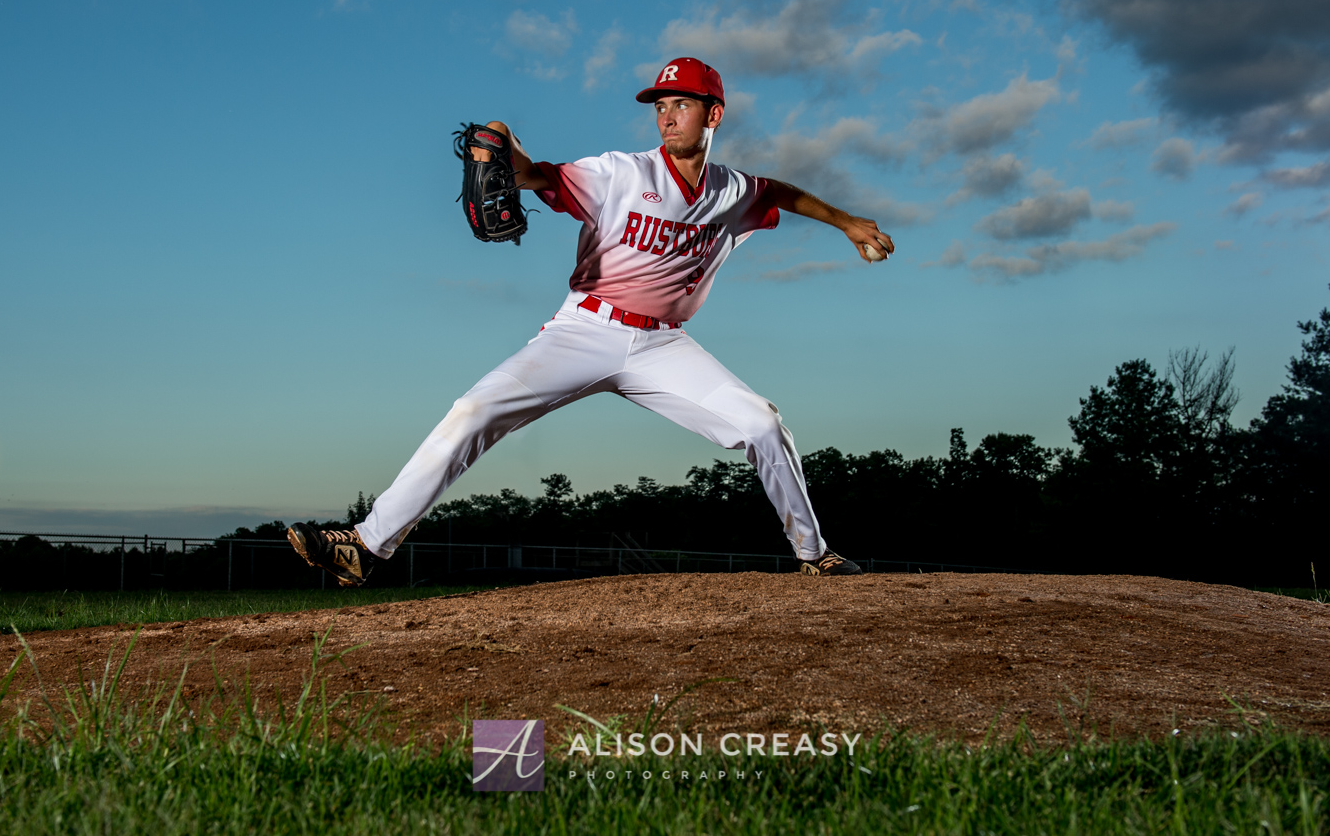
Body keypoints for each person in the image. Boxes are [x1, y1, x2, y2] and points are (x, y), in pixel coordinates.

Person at [288, 57, 894, 585]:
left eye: (681, 104)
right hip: (584, 330)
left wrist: (847, 223)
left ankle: (814, 554)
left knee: (763, 424)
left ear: (713, 115)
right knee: (474, 412)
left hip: (663, 346)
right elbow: (538, 177)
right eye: (661, 105)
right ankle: (366, 546)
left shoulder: (732, 191)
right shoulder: (619, 172)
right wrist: (503, 143)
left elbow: (781, 193)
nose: (667, 115)